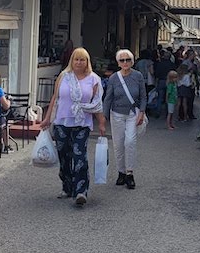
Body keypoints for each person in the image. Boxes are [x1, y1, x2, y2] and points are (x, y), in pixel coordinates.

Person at [39, 46, 105, 207]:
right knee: (64, 155)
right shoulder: (64, 76)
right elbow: (55, 97)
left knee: (79, 155)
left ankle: (81, 191)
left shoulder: (94, 79)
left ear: (87, 62)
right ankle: (67, 186)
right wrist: (47, 118)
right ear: (72, 61)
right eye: (76, 59)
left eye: (82, 59)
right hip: (62, 121)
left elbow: (97, 103)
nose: (79, 62)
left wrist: (102, 123)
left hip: (82, 123)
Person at [102, 48, 147, 190]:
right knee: (118, 144)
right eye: (122, 60)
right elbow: (108, 98)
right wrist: (104, 117)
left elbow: (143, 96)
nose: (125, 62)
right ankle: (121, 172)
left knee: (130, 142)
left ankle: (130, 173)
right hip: (117, 114)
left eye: (128, 59)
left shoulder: (138, 76)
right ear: (118, 62)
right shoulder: (114, 78)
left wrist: (142, 112)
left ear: (132, 61)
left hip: (133, 113)